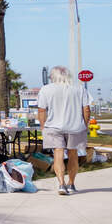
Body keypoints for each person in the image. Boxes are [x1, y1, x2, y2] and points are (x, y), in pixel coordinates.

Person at [37, 65, 90, 195]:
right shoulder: (79, 89)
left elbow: (41, 110)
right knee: (73, 154)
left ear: (53, 77)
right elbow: (86, 109)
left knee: (58, 153)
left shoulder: (46, 89)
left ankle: (61, 184)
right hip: (75, 127)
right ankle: (71, 183)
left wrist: (43, 126)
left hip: (53, 127)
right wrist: (85, 124)